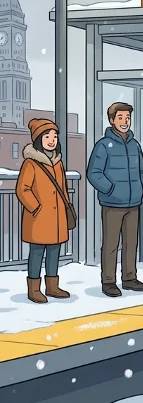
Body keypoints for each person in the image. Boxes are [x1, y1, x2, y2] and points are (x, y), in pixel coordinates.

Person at [86, 102, 143, 297]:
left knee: (131, 243)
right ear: (112, 120)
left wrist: (140, 188)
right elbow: (93, 173)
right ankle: (108, 281)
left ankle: (129, 278)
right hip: (112, 204)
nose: (125, 121)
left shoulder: (135, 144)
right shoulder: (103, 145)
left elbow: (142, 171)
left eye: (127, 118)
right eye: (120, 117)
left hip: (133, 203)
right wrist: (110, 189)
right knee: (111, 244)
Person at [16, 119, 73, 304]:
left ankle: (52, 286)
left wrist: (65, 208)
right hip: (39, 218)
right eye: (47, 136)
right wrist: (36, 207)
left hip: (57, 218)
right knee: (37, 252)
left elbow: (63, 189)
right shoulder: (31, 163)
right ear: (38, 139)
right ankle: (34, 289)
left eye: (54, 136)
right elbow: (22, 189)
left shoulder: (58, 162)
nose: (51, 140)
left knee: (54, 251)